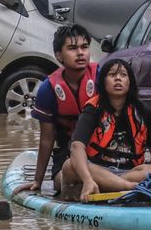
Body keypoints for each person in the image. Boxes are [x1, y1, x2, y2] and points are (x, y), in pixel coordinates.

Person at [60, 59, 151, 200]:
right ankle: (127, 188)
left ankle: (111, 185)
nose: (118, 79)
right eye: (112, 75)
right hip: (96, 171)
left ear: (130, 82)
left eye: (123, 75)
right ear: (103, 81)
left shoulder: (143, 112)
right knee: (69, 165)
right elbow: (76, 146)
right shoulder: (93, 109)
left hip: (128, 172)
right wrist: (88, 179)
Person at [17, 24, 97, 195]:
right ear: (59, 55)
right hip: (67, 155)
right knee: (61, 182)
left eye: (84, 47)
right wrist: (37, 180)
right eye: (72, 48)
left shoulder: (102, 78)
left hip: (101, 151)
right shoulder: (48, 89)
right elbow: (47, 140)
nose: (80, 53)